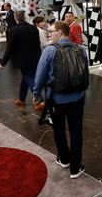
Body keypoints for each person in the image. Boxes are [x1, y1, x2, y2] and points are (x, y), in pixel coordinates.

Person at [33, 21, 89, 178]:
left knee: (58, 128)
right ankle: (75, 167)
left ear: (59, 32)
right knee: (76, 131)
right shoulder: (80, 49)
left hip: (56, 98)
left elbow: (40, 75)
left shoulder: (49, 51)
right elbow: (85, 71)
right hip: (78, 97)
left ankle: (64, 159)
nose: (50, 34)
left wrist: (36, 94)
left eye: (51, 31)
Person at [0, 10, 43, 109]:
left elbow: (9, 48)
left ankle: (39, 99)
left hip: (22, 60)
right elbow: (37, 44)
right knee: (25, 78)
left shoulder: (14, 30)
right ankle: (21, 99)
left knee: (29, 77)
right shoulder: (33, 28)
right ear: (24, 17)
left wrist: (3, 63)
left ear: (15, 18)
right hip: (35, 58)